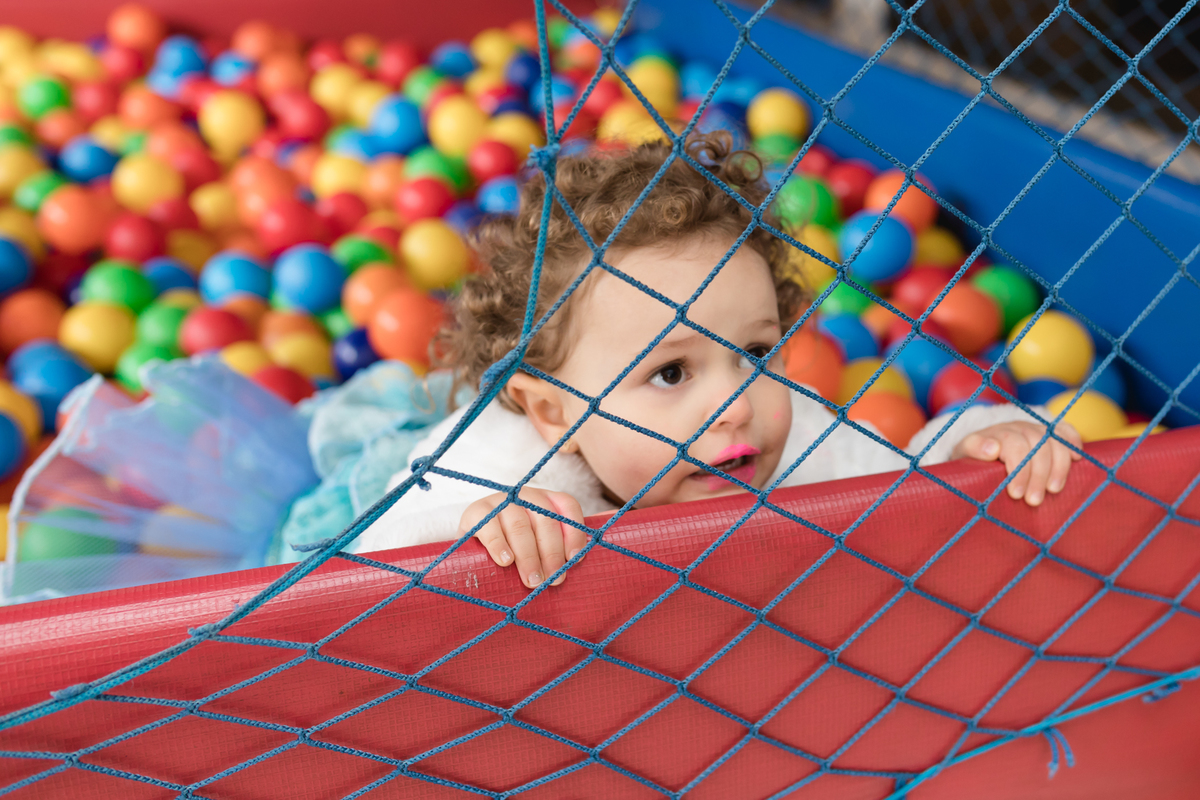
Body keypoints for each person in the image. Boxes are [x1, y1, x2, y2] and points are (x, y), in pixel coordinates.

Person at [356, 132, 1081, 587]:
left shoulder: (794, 438)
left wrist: (977, 441)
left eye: (756, 353)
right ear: (554, 412)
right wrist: (476, 524)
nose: (737, 403)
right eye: (670, 372)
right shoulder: (511, 459)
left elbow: (907, 496)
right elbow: (366, 559)